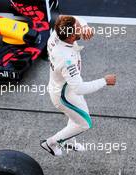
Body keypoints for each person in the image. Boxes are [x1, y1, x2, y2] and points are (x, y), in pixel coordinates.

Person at [40, 15, 116, 156]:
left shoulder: (57, 33)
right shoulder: (67, 60)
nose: (82, 29)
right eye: (79, 29)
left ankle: (70, 142)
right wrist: (105, 81)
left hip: (65, 88)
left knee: (76, 117)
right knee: (84, 123)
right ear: (71, 37)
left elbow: (67, 18)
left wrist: (85, 26)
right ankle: (51, 143)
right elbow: (79, 88)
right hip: (64, 96)